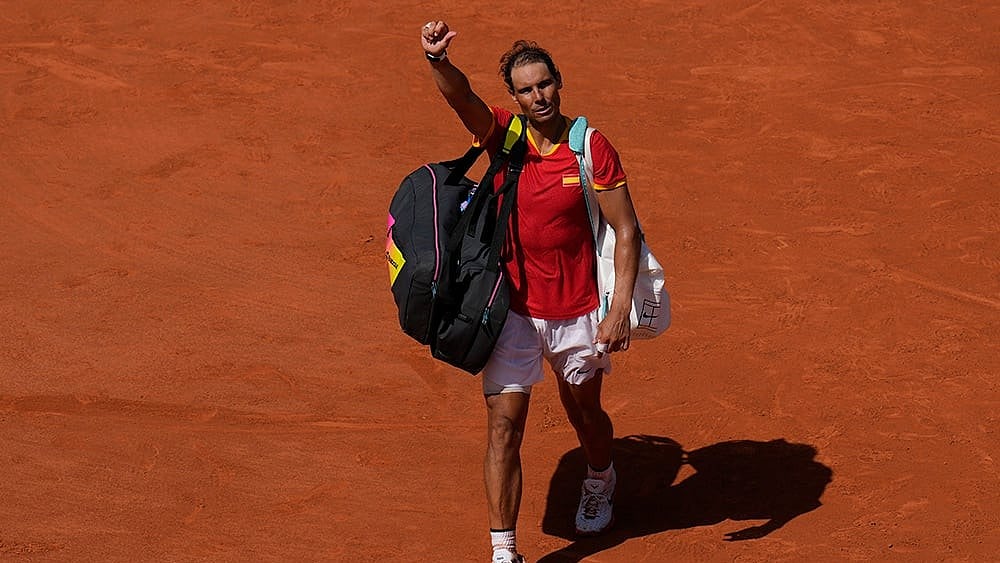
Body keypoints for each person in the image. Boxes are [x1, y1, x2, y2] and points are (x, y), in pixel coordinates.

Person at [420, 20, 641, 563]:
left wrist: (617, 313)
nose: (538, 96)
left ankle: (599, 477)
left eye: (545, 84)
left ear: (558, 83)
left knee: (584, 412)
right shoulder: (504, 137)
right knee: (503, 426)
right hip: (512, 313)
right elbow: (462, 99)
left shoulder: (589, 148)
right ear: (514, 97)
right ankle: (504, 551)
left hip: (579, 312)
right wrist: (438, 63)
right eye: (525, 89)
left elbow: (628, 230)